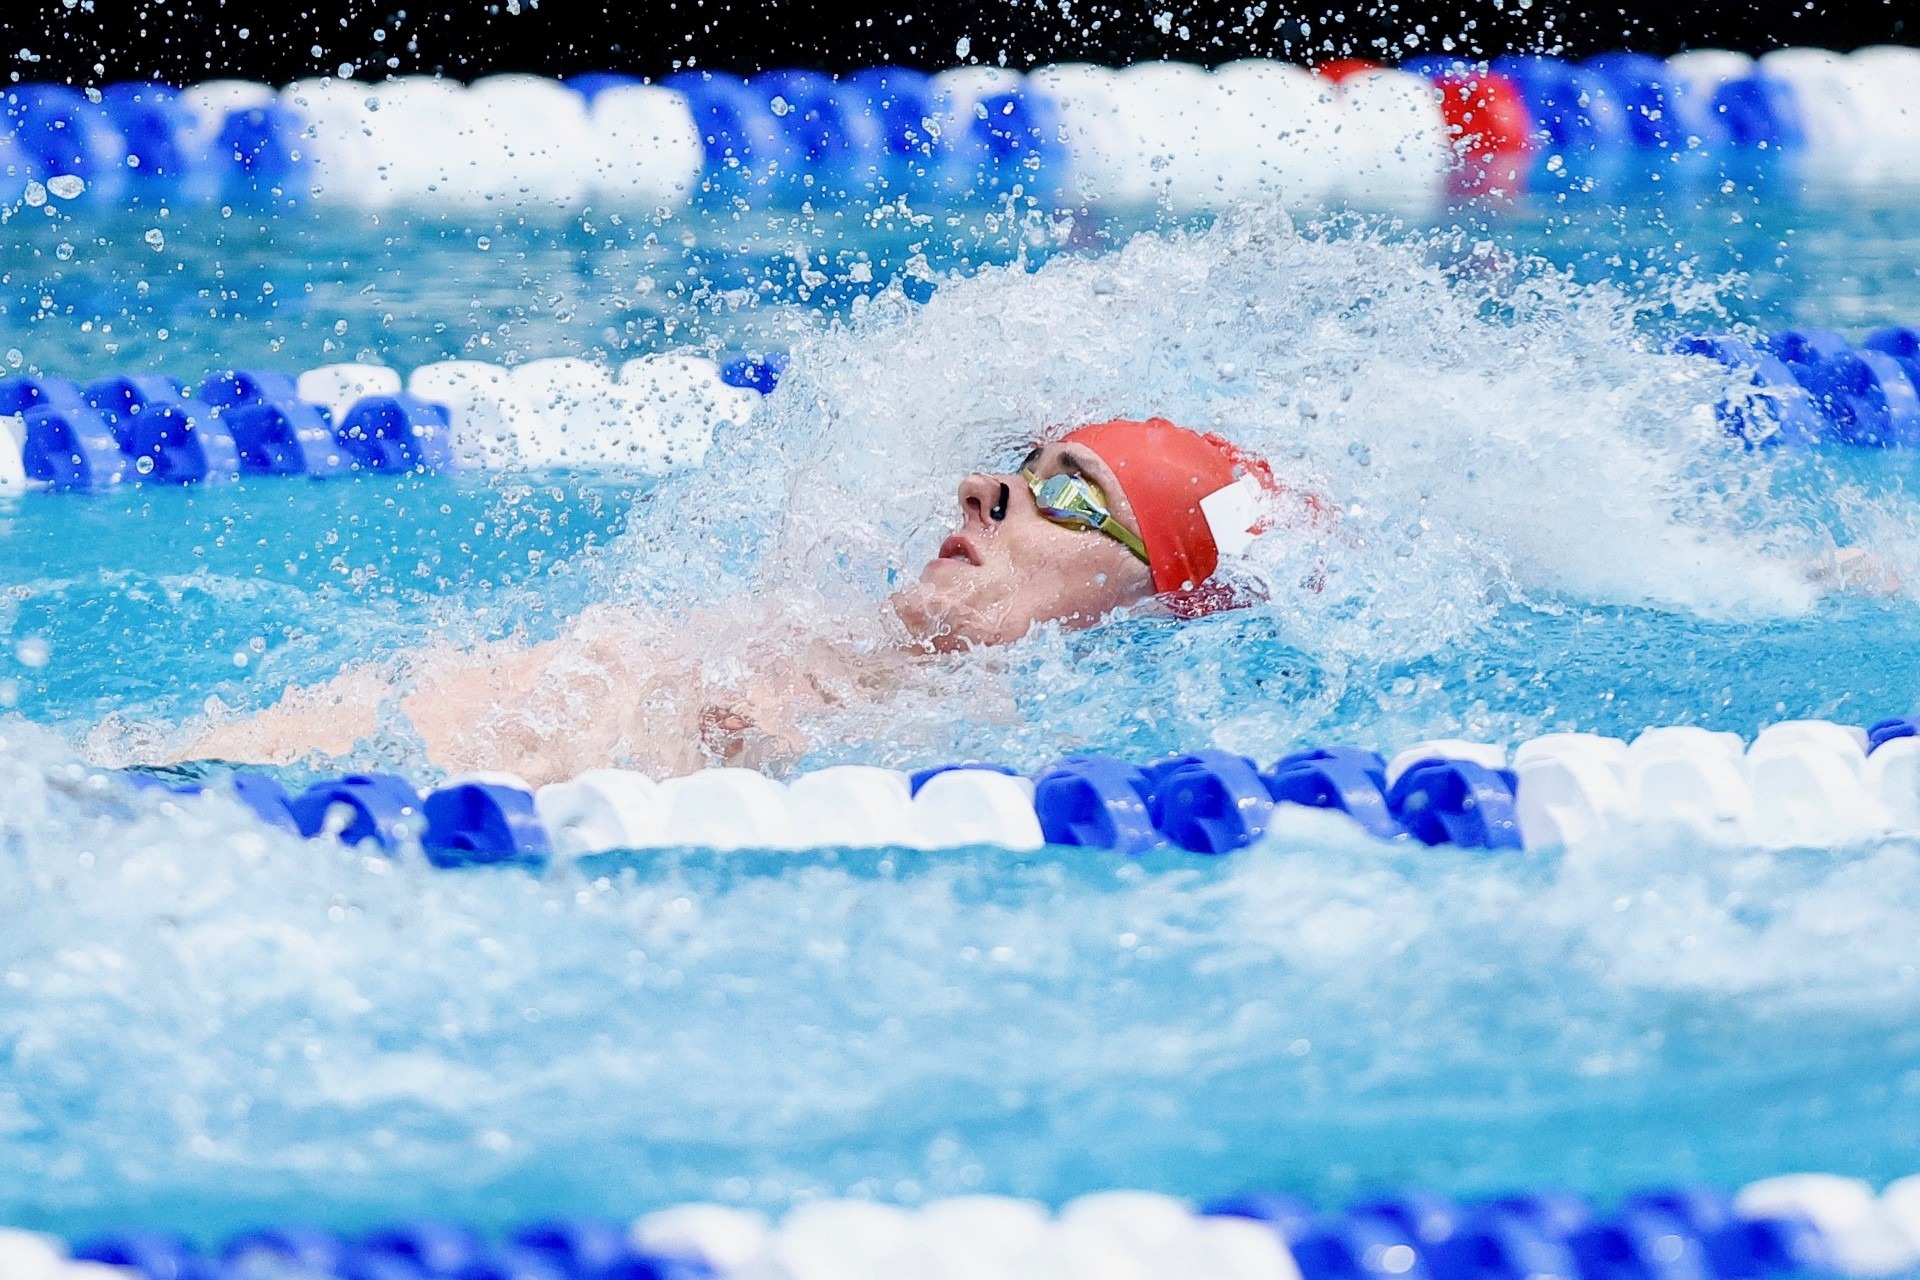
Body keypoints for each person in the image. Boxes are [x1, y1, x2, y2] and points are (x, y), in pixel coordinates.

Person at [176, 418, 1312, 784]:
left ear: (1150, 601)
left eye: (1071, 491)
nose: (987, 487)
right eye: (1020, 460)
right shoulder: (796, 639)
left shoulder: (1003, 759)